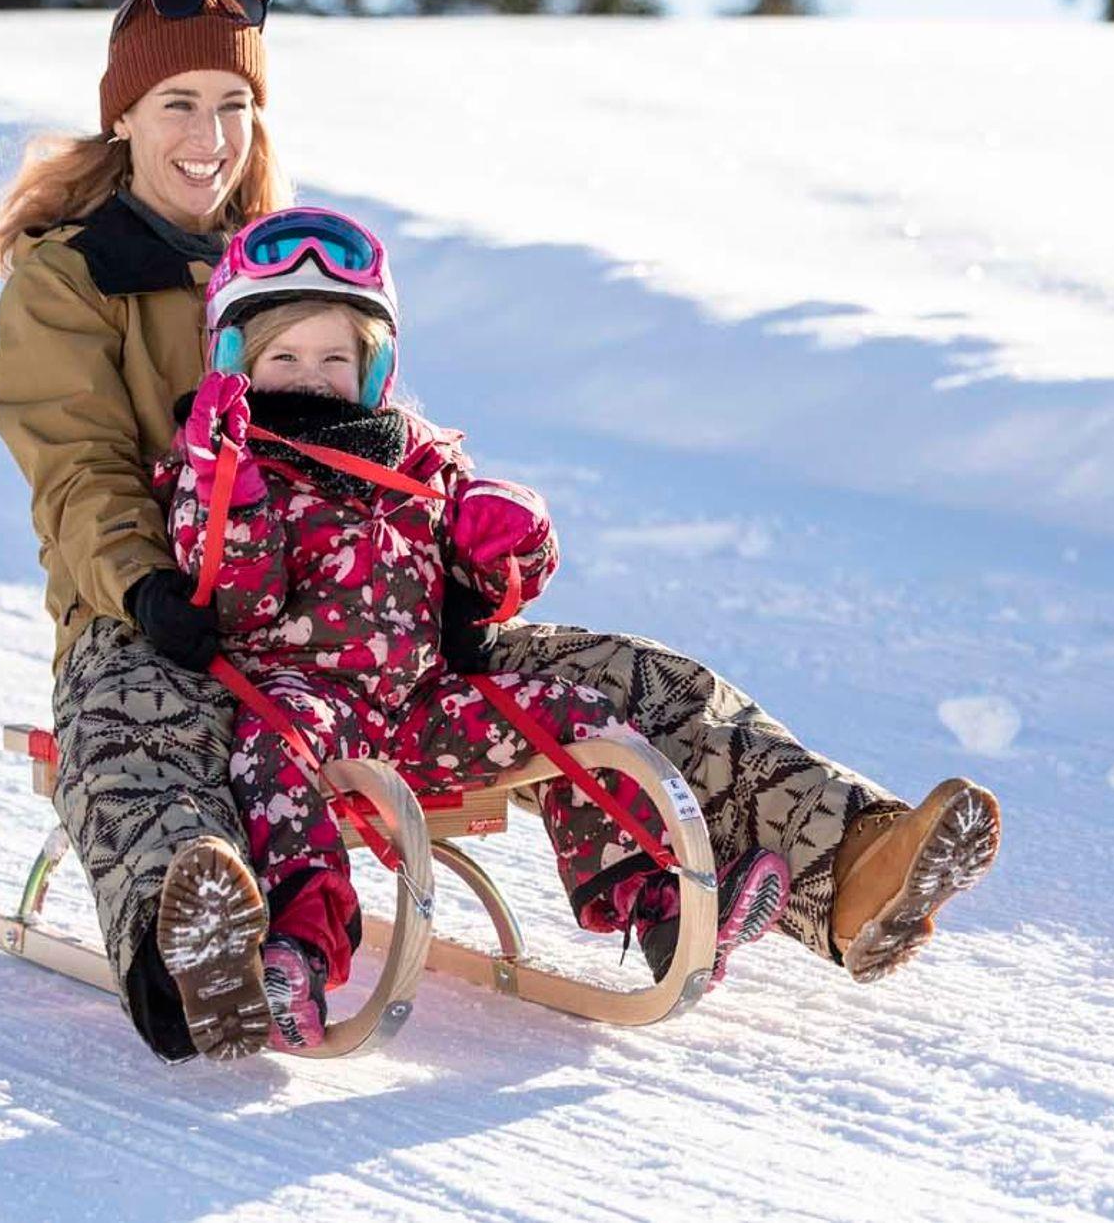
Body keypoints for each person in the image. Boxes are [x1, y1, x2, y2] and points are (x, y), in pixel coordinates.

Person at [0, 0, 1000, 1065]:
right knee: (134, 724)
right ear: (123, 116)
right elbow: (79, 471)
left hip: (364, 635)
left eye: (233, 104)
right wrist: (145, 586)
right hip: (162, 615)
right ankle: (197, 957)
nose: (209, 135)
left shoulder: (289, 253)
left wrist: (457, 568)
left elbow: (380, 434)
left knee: (620, 676)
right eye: (177, 103)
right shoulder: (72, 279)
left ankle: (848, 864)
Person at [155, 208, 792, 1051]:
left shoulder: (419, 459)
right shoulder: (226, 464)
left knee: (568, 714)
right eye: (285, 357)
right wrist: (228, 492)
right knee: (270, 755)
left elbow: (477, 594)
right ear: (236, 362)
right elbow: (240, 607)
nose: (311, 377)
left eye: (334, 358)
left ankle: (659, 902)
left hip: (422, 706)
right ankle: (297, 950)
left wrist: (510, 547)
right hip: (302, 701)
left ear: (374, 366)